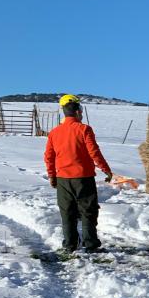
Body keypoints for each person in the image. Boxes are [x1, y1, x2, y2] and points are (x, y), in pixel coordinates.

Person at [44, 94, 113, 253]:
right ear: (77, 112)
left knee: (67, 212)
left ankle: (70, 245)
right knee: (88, 211)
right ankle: (91, 244)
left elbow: (49, 156)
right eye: (80, 110)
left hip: (63, 179)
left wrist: (52, 176)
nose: (81, 114)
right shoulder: (84, 129)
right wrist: (106, 170)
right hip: (84, 178)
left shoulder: (54, 132)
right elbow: (94, 152)